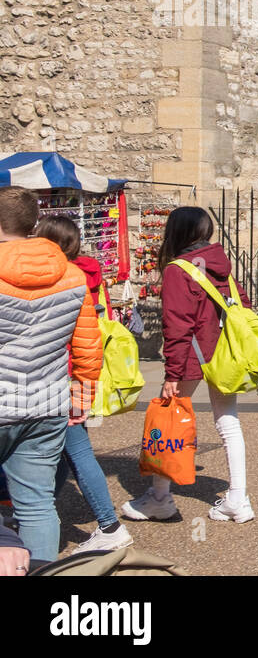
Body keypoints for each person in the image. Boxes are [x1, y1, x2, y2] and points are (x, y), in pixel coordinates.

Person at [121, 206, 256, 523]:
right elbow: (243, 306)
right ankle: (238, 499)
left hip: (193, 355)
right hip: (224, 354)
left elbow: (177, 326)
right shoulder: (220, 265)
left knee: (168, 422)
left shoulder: (178, 270)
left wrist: (173, 372)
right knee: (229, 424)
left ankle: (160, 498)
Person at [0, 188, 100, 565]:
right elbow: (88, 348)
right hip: (46, 403)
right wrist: (82, 400)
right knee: (38, 504)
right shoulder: (72, 275)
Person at [31, 216, 133, 552]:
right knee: (63, 453)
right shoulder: (86, 275)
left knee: (77, 451)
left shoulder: (58, 278)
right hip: (79, 374)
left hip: (60, 375)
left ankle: (109, 526)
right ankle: (29, 510)